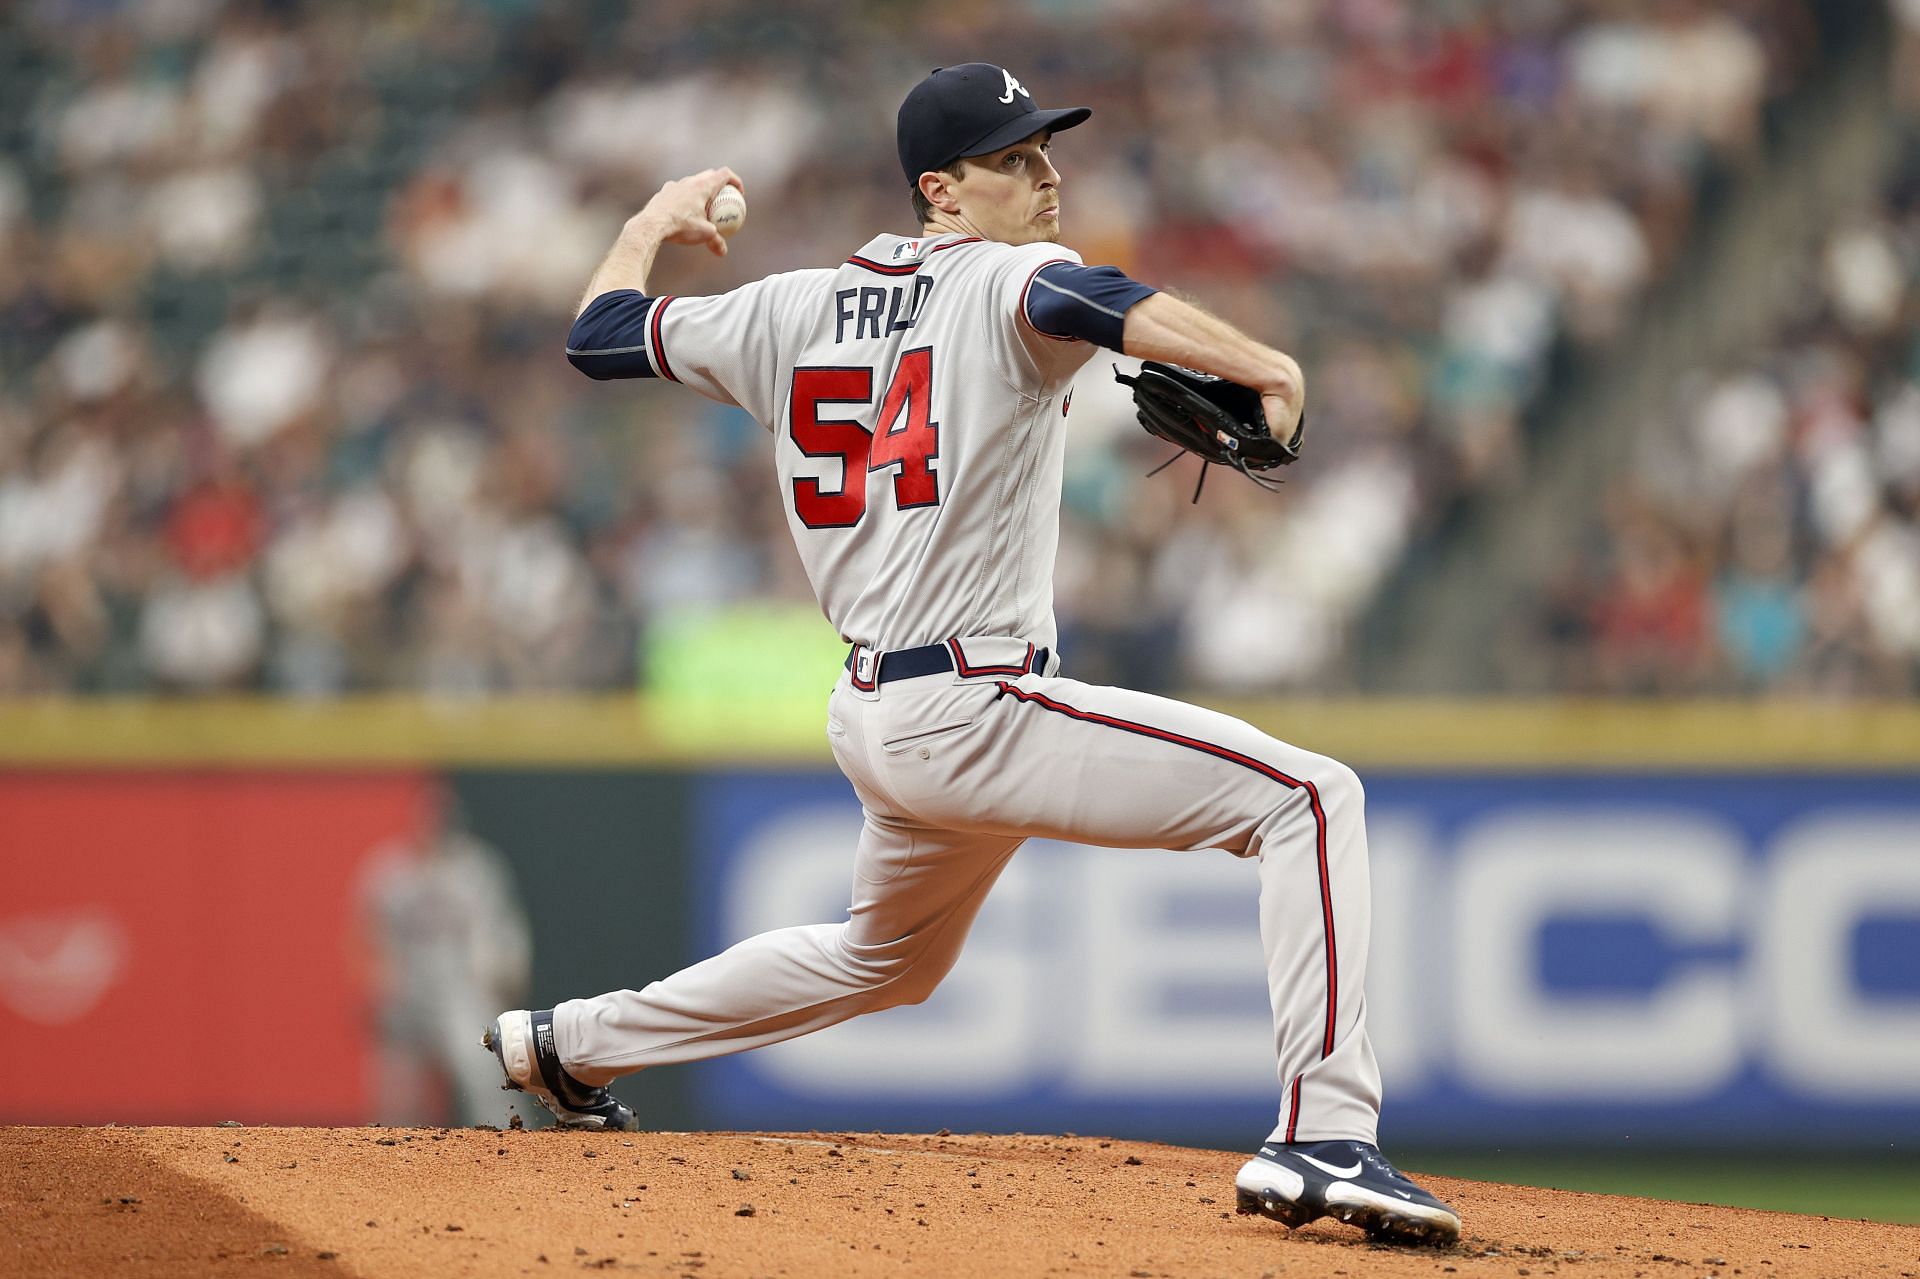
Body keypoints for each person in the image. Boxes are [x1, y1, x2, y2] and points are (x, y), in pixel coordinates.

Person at [484, 63, 1459, 1246]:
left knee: (883, 961)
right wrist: (1266, 366)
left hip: (876, 715)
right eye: (1014, 158)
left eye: (1046, 150)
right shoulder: (1010, 275)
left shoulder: (787, 306)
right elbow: (1096, 302)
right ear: (940, 191)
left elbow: (596, 338)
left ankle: (571, 1044)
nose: (1047, 174)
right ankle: (1324, 1133)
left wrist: (648, 224)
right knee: (1311, 796)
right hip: (979, 701)